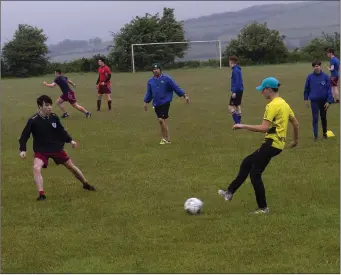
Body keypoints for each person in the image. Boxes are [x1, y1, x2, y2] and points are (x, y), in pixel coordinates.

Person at [218, 77, 299, 214]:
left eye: (262, 90)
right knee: (247, 163)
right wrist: (295, 140)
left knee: (255, 174)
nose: (261, 92)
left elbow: (264, 128)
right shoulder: (284, 104)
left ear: (268, 89)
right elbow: (296, 123)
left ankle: (263, 208)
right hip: (276, 144)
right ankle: (229, 192)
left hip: (272, 144)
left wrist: (242, 125)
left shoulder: (272, 106)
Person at [19, 95, 96, 201]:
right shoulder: (33, 120)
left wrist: (70, 140)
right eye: (46, 105)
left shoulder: (54, 117)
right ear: (40, 107)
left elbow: (61, 131)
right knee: (36, 168)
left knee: (71, 167)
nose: (50, 107)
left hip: (56, 149)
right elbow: (24, 136)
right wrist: (23, 149)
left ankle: (85, 184)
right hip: (41, 150)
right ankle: (42, 194)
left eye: (50, 105)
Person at [143, 63, 190, 144]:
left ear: (160, 70)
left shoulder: (167, 79)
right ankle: (165, 139)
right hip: (156, 103)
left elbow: (176, 88)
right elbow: (149, 93)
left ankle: (167, 138)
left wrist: (184, 95)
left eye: (157, 69)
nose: (155, 70)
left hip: (165, 102)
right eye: (154, 69)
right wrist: (146, 102)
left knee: (161, 120)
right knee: (162, 121)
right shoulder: (150, 81)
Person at [304, 60, 334, 140]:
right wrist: (306, 99)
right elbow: (306, 89)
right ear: (313, 67)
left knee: (323, 117)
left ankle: (325, 133)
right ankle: (316, 136)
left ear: (320, 66)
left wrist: (329, 101)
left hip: (324, 101)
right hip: (314, 101)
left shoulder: (325, 77)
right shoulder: (310, 77)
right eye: (315, 66)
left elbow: (329, 89)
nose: (316, 67)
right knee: (315, 117)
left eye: (318, 65)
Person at [228, 56, 244, 124]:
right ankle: (239, 122)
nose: (228, 64)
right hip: (240, 90)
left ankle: (237, 123)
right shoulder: (238, 69)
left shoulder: (235, 70)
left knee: (230, 107)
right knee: (237, 105)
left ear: (231, 62)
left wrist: (234, 92)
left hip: (237, 91)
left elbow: (237, 82)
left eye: (229, 62)